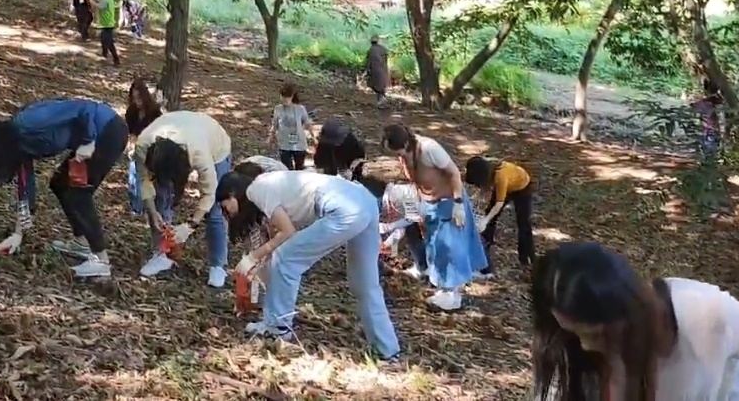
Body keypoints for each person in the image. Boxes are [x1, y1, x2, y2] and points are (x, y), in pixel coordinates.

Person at [531, 242, 739, 401]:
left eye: (596, 335)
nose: (586, 346)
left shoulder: (709, 312)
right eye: (575, 334)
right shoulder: (581, 349)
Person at [216, 170, 400, 360]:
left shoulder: (256, 190)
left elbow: (287, 232)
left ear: (232, 194)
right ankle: (387, 349)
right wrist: (262, 265)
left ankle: (276, 329)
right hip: (365, 201)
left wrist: (252, 258)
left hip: (343, 208)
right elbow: (277, 235)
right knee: (364, 284)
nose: (226, 211)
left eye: (224, 205)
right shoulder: (267, 185)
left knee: (285, 260)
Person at [0, 98, 127, 278]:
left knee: (78, 194)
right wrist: (18, 234)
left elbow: (85, 109)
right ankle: (82, 243)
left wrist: (88, 140)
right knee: (60, 184)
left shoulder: (29, 121)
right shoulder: (19, 145)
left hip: (107, 131)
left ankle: (102, 262)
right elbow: (25, 189)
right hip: (96, 137)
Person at [382, 124, 487, 310]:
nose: (398, 156)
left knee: (449, 247)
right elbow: (416, 180)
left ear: (406, 143)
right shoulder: (406, 157)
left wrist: (458, 204)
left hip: (449, 202)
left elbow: (454, 173)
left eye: (398, 151)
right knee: (434, 246)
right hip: (429, 203)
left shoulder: (429, 149)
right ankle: (445, 288)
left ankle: (452, 295)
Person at [134, 110, 233, 286]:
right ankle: (164, 254)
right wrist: (152, 210)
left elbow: (210, 193)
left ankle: (218, 266)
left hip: (215, 145)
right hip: (180, 131)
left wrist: (190, 225)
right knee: (160, 199)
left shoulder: (199, 153)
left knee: (215, 209)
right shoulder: (144, 145)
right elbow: (144, 180)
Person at [465, 156, 535, 277]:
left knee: (523, 224)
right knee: (490, 216)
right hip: (507, 184)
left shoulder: (500, 177)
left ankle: (528, 258)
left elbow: (499, 204)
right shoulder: (486, 168)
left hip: (522, 187)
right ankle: (485, 246)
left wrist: (485, 221)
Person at [124, 79, 162, 215]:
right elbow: (132, 132)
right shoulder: (132, 112)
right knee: (133, 179)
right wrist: (131, 145)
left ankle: (152, 207)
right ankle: (137, 209)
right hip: (137, 149)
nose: (136, 102)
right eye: (133, 98)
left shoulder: (155, 113)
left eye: (139, 98)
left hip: (152, 150)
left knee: (149, 179)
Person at [269, 83, 313, 170]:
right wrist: (271, 137)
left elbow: (307, 123)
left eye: (287, 97)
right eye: (282, 96)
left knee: (299, 168)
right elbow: (275, 124)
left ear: (292, 97)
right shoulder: (278, 109)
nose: (284, 99)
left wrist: (313, 136)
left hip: (299, 143)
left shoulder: (300, 109)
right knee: (286, 168)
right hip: (284, 143)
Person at [692, 78, 723, 156]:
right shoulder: (720, 102)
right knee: (714, 152)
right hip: (716, 131)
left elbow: (693, 108)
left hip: (707, 131)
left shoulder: (702, 103)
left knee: (708, 153)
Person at [93, 0, 120, 65]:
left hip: (107, 24)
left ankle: (116, 59)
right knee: (103, 39)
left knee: (108, 42)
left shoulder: (106, 0)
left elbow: (98, 6)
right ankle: (104, 54)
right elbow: (98, 1)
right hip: (107, 24)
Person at [365, 34, 390, 107]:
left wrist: (367, 70)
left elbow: (368, 61)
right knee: (381, 85)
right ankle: (382, 99)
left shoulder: (371, 50)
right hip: (382, 69)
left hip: (374, 70)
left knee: (374, 85)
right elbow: (386, 59)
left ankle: (381, 99)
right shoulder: (383, 49)